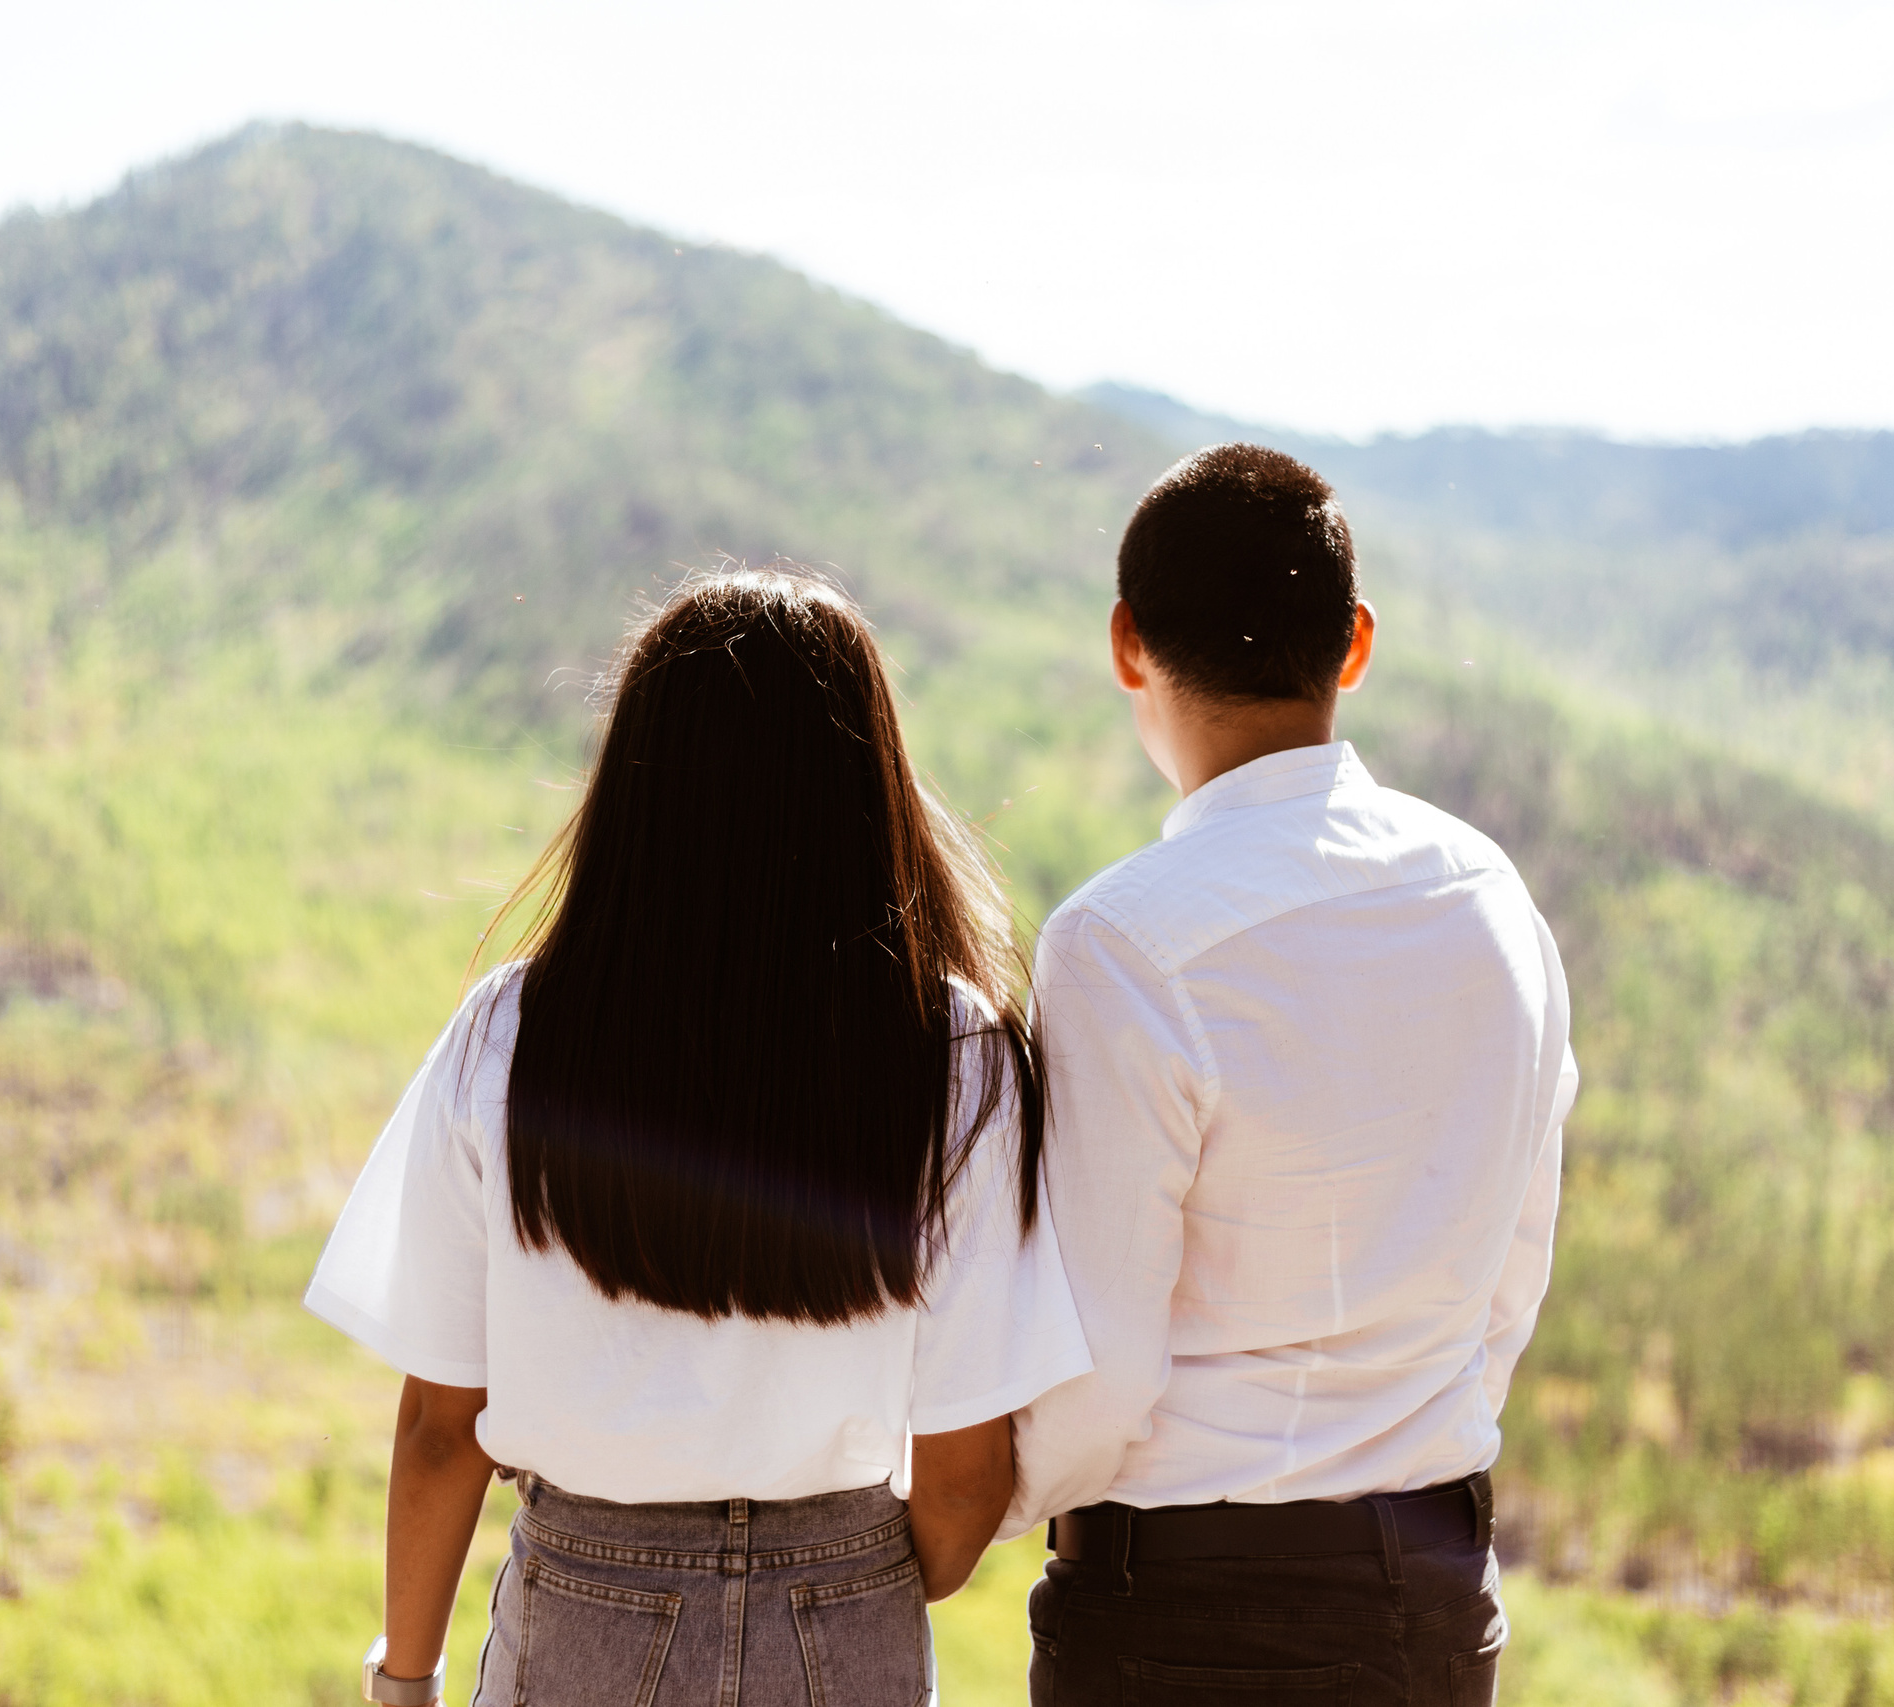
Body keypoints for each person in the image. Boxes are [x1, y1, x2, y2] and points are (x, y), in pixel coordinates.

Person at [303, 566, 1091, 1707]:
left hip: (583, 1616)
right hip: (846, 1618)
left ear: (636, 784)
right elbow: (967, 1482)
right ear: (867, 785)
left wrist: (405, 1681)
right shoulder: (956, 1051)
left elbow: (439, 1429)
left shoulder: (511, 1034)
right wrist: (839, 1589)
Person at [1011, 445, 1576, 1706]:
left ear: (1126, 642)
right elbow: (1513, 1262)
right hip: (1435, 1591)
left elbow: (1103, 1363)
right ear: (1355, 642)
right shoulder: (1489, 895)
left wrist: (968, 1507)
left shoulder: (1120, 942)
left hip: (1182, 1611)